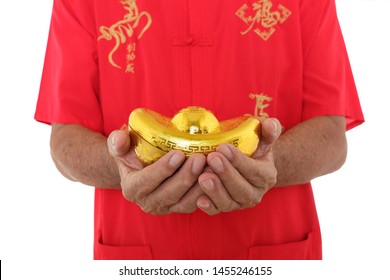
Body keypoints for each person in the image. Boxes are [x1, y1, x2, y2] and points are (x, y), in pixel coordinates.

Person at [35, 0, 364, 260]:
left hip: (274, 250)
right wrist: (124, 166)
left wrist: (268, 163)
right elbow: (66, 138)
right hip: (138, 255)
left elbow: (331, 135)